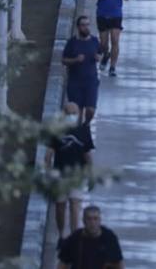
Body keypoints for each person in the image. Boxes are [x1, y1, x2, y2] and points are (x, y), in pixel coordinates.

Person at [46, 103, 94, 240]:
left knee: (75, 205)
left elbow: (87, 154)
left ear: (79, 114)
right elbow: (49, 154)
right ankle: (61, 234)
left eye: (74, 113)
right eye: (68, 113)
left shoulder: (83, 131)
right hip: (60, 174)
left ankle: (74, 236)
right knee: (60, 206)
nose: (71, 116)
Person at [87, 0, 132, 76]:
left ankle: (113, 67)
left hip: (116, 15)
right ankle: (106, 55)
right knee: (104, 44)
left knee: (115, 40)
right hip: (102, 14)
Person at [57, 205, 124, 269]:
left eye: (95, 219)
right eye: (89, 219)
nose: (92, 223)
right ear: (83, 221)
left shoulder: (109, 238)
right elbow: (63, 263)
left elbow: (118, 263)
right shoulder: (75, 238)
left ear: (100, 220)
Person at [62, 16, 101, 124]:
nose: (86, 27)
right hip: (75, 82)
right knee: (76, 112)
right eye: (83, 25)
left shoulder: (94, 41)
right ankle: (78, 132)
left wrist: (98, 58)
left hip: (91, 82)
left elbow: (99, 54)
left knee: (91, 110)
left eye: (88, 24)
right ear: (78, 27)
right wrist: (75, 60)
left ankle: (86, 124)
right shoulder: (72, 42)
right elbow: (64, 60)